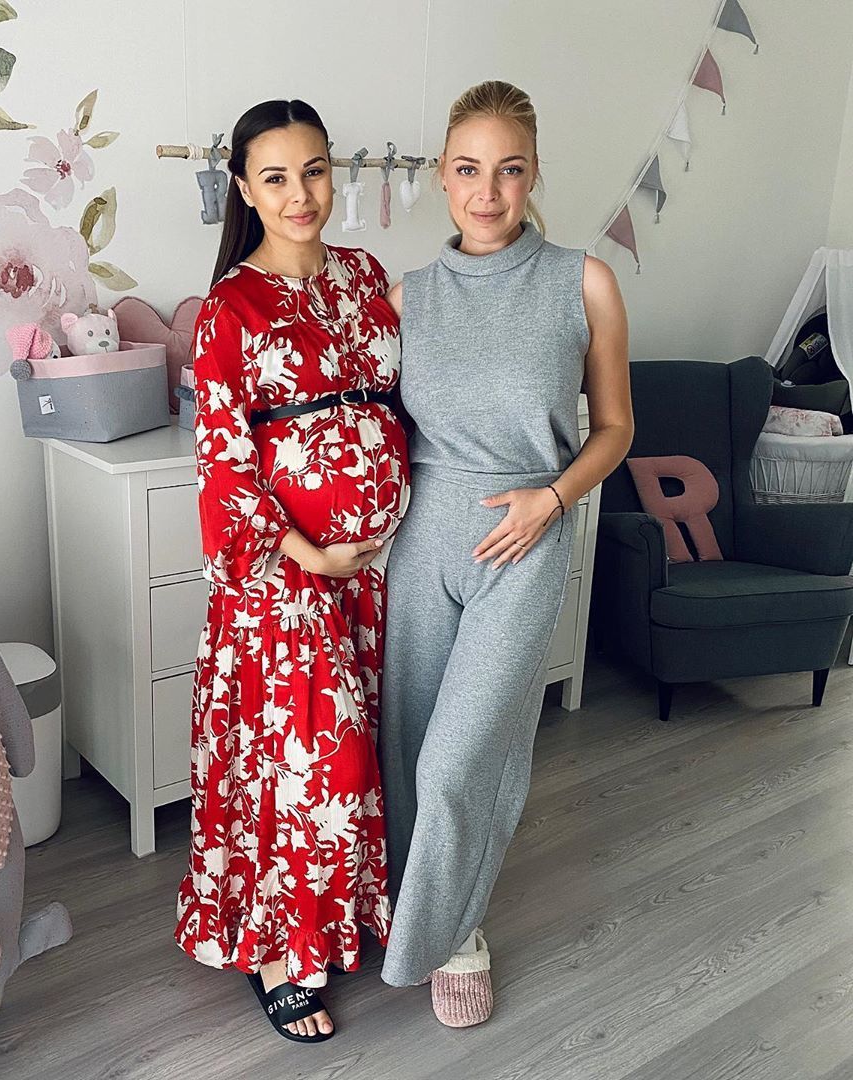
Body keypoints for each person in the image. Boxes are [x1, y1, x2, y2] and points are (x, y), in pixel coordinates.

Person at [377, 79, 634, 1027]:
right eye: (468, 170)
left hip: (525, 544)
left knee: (462, 762)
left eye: (509, 170)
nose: (487, 192)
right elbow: (367, 426)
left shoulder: (583, 281)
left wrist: (552, 499)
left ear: (533, 176)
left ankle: (457, 933)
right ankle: (420, 910)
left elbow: (615, 429)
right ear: (441, 179)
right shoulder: (405, 296)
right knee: (408, 750)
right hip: (421, 543)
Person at [174, 98, 411, 1044]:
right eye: (275, 177)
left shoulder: (366, 275)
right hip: (286, 576)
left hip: (374, 574)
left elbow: (407, 401)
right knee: (314, 769)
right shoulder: (229, 309)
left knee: (350, 765)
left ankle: (341, 921)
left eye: (313, 170)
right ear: (244, 189)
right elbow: (224, 464)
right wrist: (308, 552)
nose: (299, 193)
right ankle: (279, 952)